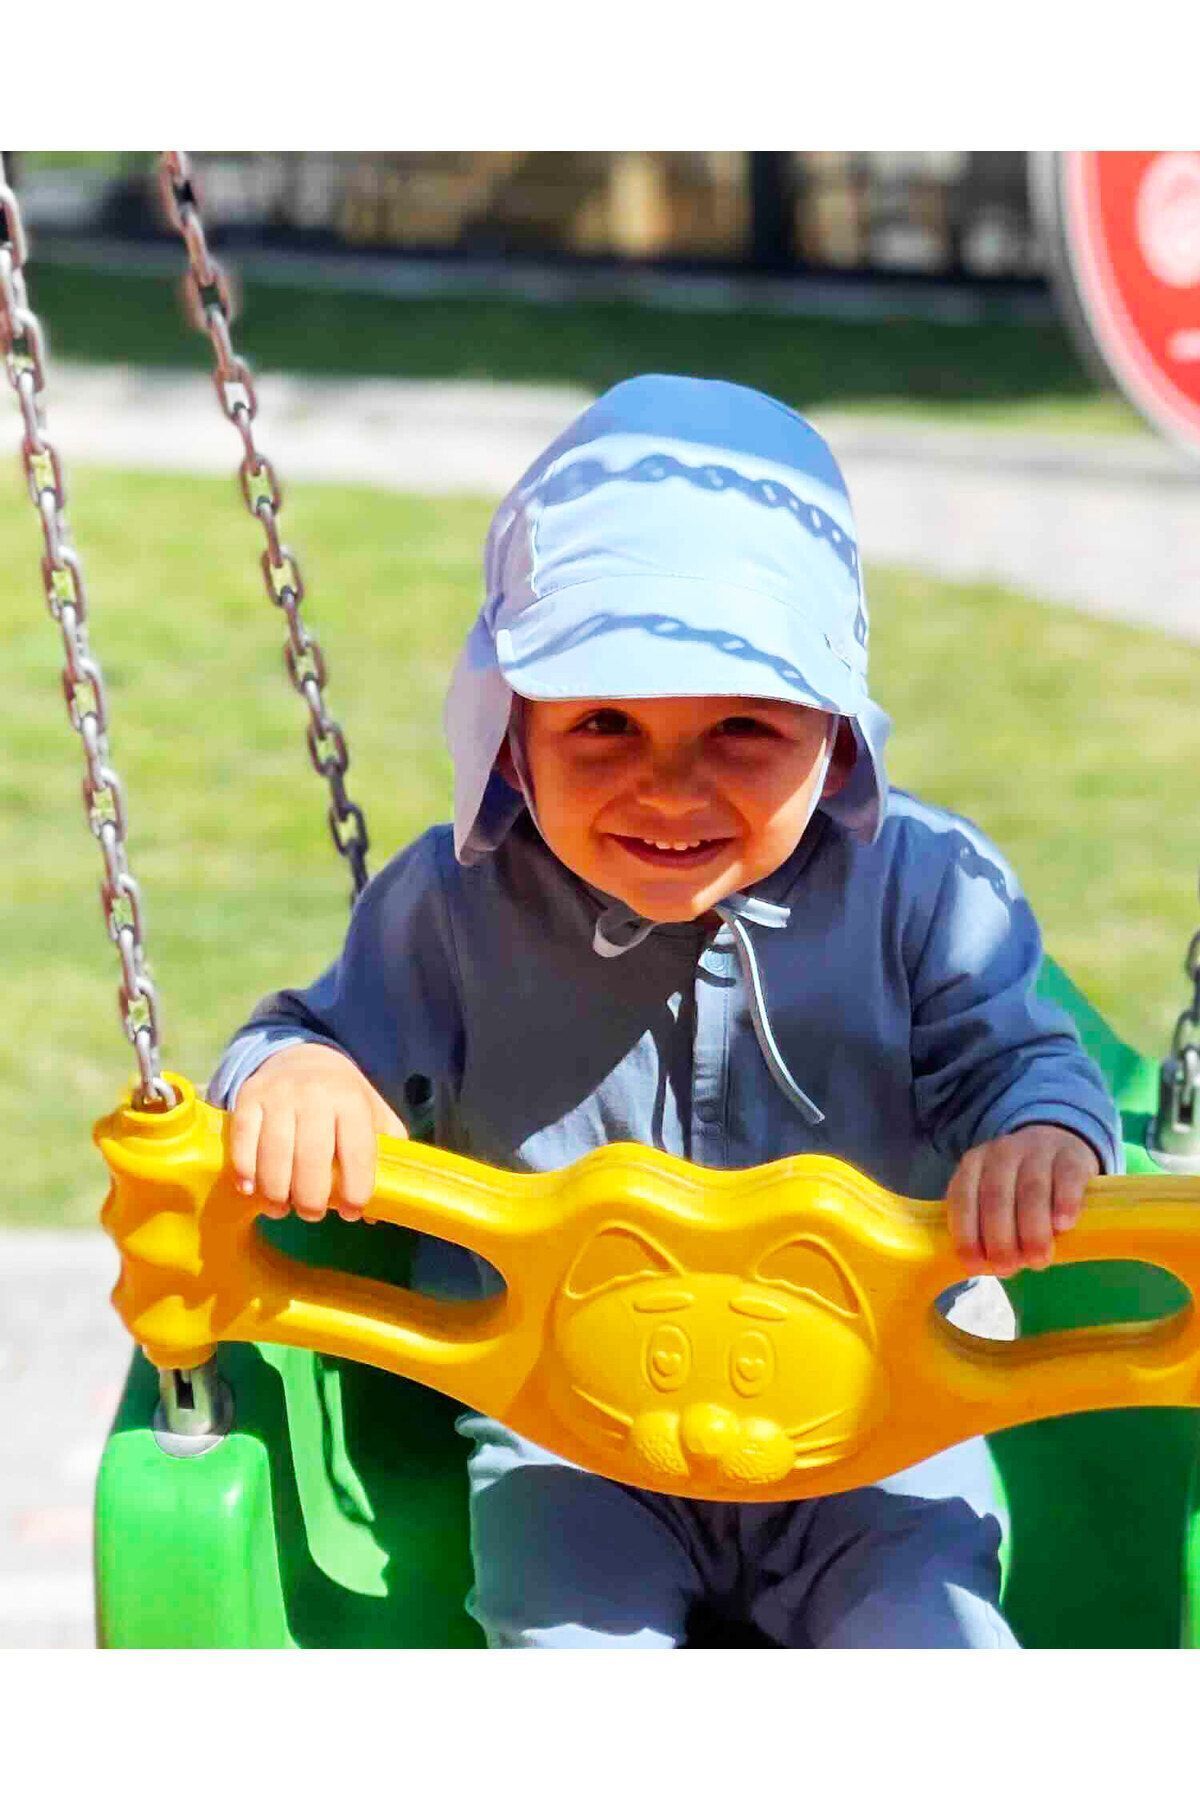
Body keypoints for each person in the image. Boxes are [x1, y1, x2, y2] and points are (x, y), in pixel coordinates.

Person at [208, 374, 1121, 1649]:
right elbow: (300, 1041)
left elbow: (1028, 1065)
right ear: (512, 728)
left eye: (743, 727)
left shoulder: (922, 890)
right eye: (603, 726)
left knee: (934, 1660)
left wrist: (1041, 1140)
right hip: (571, 1438)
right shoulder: (459, 907)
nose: (670, 788)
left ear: (837, 734)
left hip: (878, 1426)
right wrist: (299, 1080)